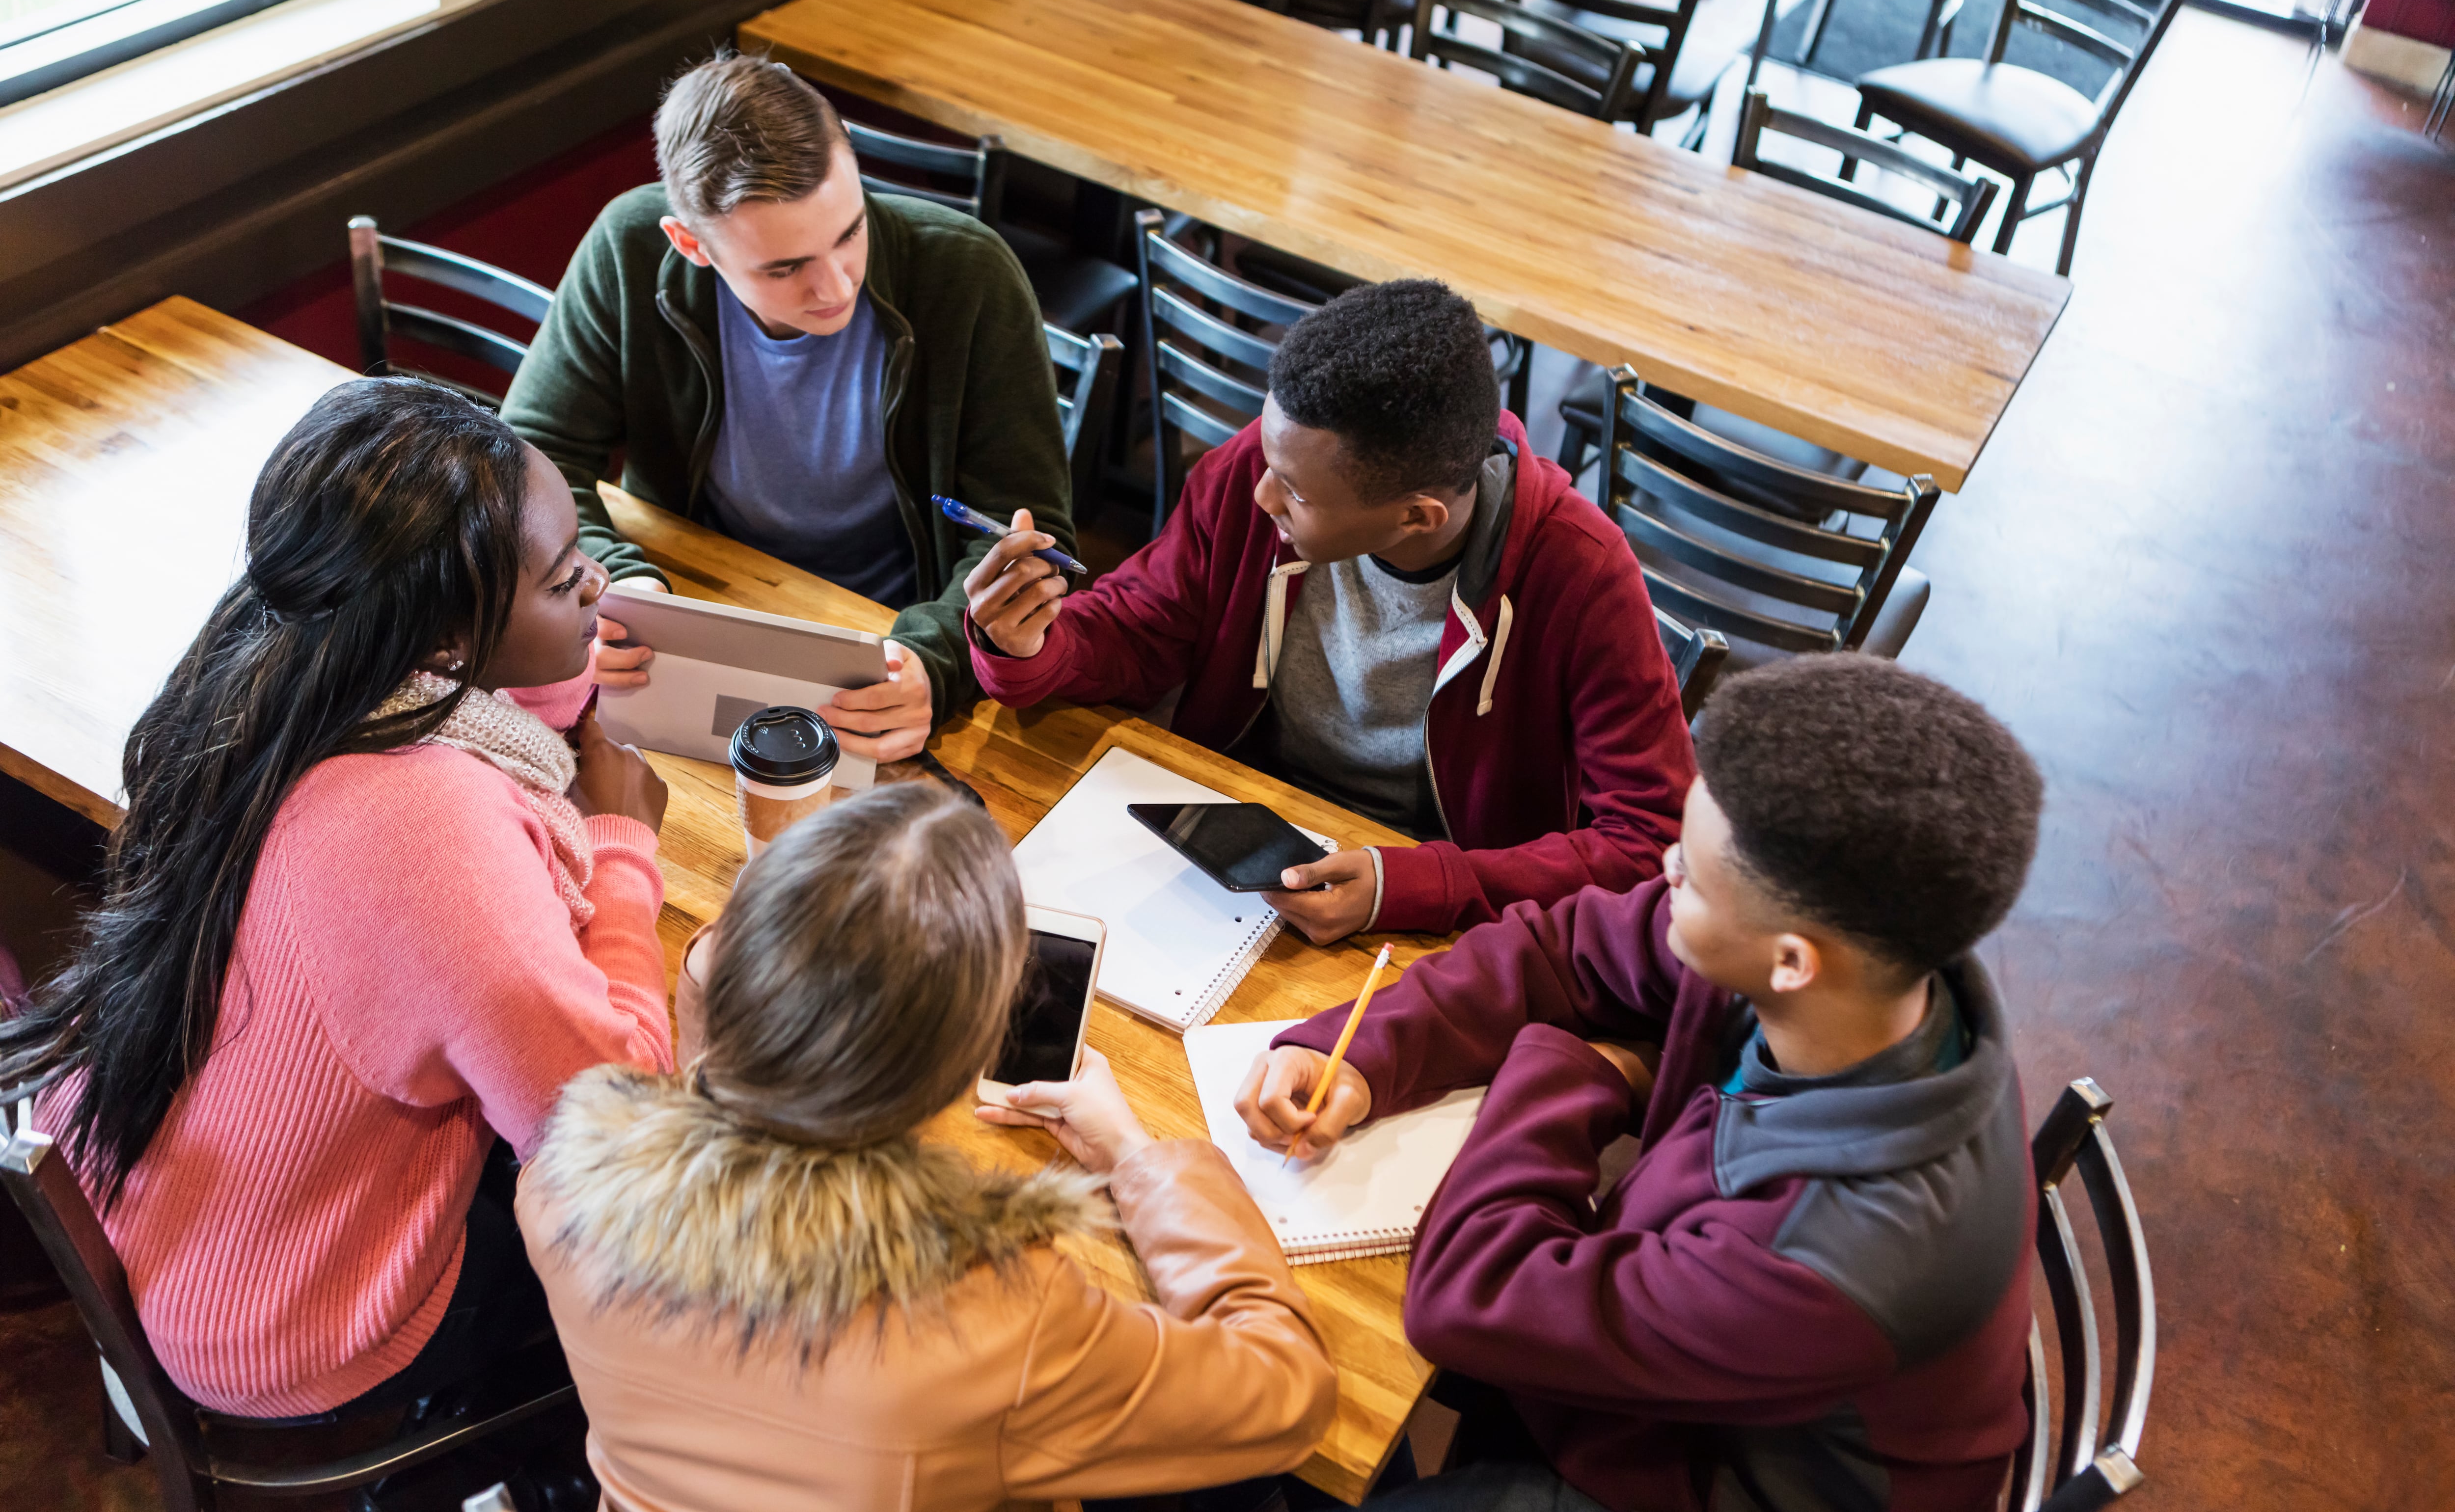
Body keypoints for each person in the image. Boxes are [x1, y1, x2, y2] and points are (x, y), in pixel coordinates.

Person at [0, 379, 674, 1420]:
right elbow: (620, 1132)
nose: (598, 585)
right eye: (559, 580)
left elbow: (488, 686)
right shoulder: (428, 825)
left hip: (186, 1220)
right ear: (446, 641)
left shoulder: (284, 655)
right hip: (303, 1328)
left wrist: (554, 657)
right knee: (674, 1289)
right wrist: (624, 846)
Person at [1236, 655, 2046, 1512]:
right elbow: (1562, 947)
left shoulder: (1837, 1258)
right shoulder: (1859, 976)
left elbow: (1471, 1294)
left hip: (1695, 1475)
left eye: (1691, 873)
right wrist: (1363, 1055)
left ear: (1793, 961)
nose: (1661, 867)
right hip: (1678, 1385)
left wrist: (1575, 1065)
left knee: (1277, 1399)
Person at [517, 783, 1337, 1511]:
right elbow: (1287, 1390)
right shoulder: (993, 1315)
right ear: (955, 1069)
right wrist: (1134, 1156)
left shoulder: (558, 1182)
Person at [963, 277, 1694, 945]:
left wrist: (1412, 885)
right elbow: (1145, 621)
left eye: (1295, 495)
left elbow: (1649, 839)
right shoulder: (1270, 463)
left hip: (1444, 913)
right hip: (1248, 850)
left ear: (1417, 517)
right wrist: (1034, 647)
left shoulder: (1583, 573)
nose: (1261, 497)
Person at [502, 53, 1079, 761]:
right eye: (784, 268)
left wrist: (938, 659)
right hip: (697, 610)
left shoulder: (969, 273)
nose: (835, 285)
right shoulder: (627, 247)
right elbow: (530, 453)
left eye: (850, 232)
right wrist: (616, 583)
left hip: (894, 631)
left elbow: (1029, 532)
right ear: (691, 246)